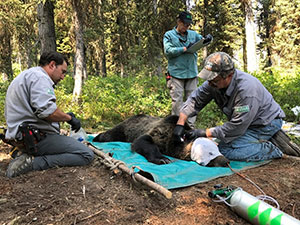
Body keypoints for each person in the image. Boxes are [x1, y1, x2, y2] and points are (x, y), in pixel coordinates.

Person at [173, 52, 286, 161]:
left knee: (224, 150)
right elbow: (195, 99)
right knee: (217, 142)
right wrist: (180, 124)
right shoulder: (213, 83)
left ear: (229, 75)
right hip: (245, 122)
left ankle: (270, 149)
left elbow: (237, 126)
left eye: (214, 80)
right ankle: (250, 142)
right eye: (209, 79)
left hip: (264, 124)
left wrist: (204, 132)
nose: (210, 83)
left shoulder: (246, 90)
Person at [4, 51, 94, 178]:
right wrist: (69, 119)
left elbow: (41, 108)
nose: (63, 77)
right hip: (35, 138)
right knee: (86, 155)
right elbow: (48, 113)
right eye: (63, 71)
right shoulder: (40, 78)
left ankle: (23, 154)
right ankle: (32, 163)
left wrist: (63, 116)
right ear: (52, 65)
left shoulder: (29, 75)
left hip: (21, 135)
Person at [163, 11, 212, 128]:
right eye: (184, 24)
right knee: (177, 102)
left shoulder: (193, 34)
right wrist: (184, 49)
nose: (186, 27)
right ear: (179, 22)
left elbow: (202, 41)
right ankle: (175, 127)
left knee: (193, 101)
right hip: (176, 74)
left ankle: (190, 127)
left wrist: (208, 39)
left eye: (188, 25)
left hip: (191, 73)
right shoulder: (169, 35)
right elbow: (168, 51)